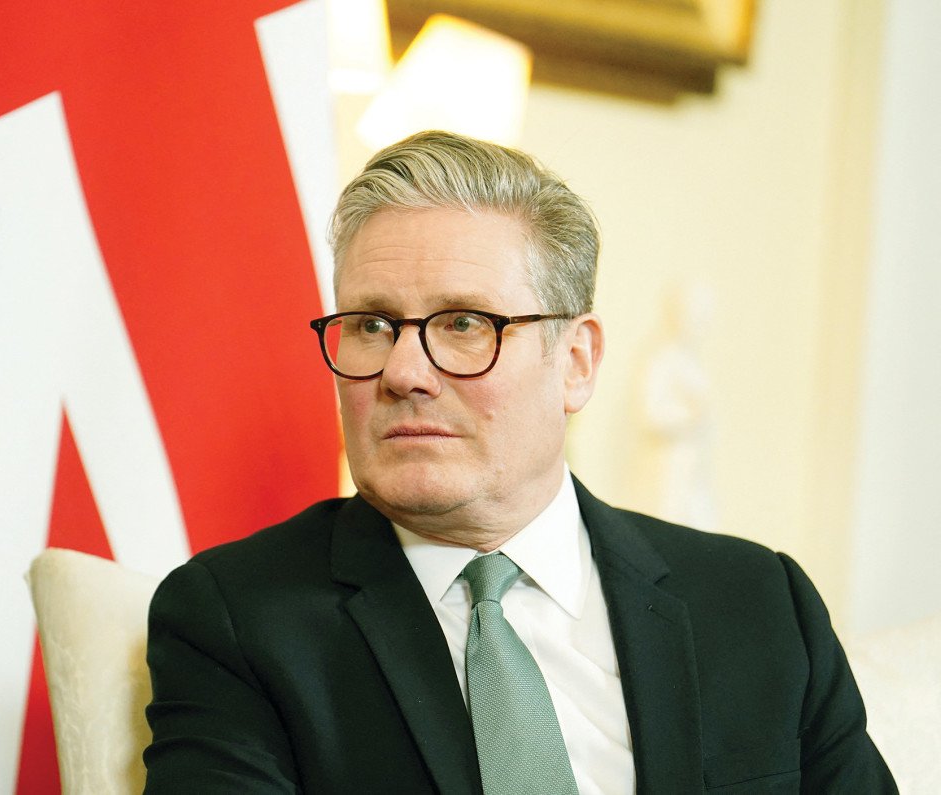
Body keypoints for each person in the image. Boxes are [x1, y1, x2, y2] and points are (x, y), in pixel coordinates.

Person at [142, 131, 895, 793]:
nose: (403, 372)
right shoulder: (237, 620)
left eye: (464, 323)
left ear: (576, 362)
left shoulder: (759, 603)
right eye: (371, 325)